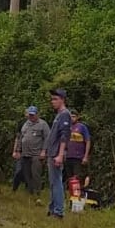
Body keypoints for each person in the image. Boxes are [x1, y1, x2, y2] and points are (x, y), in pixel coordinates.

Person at [42, 89, 72, 219]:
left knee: (57, 181)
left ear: (62, 100)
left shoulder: (65, 114)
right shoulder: (58, 115)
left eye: (55, 99)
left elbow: (64, 136)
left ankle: (59, 211)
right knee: (53, 182)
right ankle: (53, 207)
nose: (52, 102)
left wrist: (60, 154)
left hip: (57, 153)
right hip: (52, 152)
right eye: (52, 99)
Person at [13, 106, 49, 195]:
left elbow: (47, 138)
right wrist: (17, 150)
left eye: (33, 115)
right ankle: (30, 191)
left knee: (35, 173)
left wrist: (44, 151)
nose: (31, 116)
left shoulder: (43, 124)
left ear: (37, 114)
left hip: (37, 153)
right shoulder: (25, 124)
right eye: (29, 115)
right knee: (26, 173)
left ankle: (37, 192)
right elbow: (21, 137)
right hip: (25, 153)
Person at [65, 110, 91, 183]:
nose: (72, 118)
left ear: (77, 117)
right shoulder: (67, 127)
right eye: (70, 117)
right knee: (69, 178)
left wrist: (85, 156)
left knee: (77, 177)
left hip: (78, 156)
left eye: (73, 117)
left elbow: (88, 141)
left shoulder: (82, 127)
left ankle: (78, 193)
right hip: (68, 156)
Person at [11, 111, 29, 192]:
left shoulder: (39, 124)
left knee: (29, 171)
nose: (29, 115)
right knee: (18, 170)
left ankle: (29, 190)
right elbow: (17, 138)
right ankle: (14, 188)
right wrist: (14, 151)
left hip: (32, 152)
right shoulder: (21, 123)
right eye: (27, 113)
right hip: (21, 151)